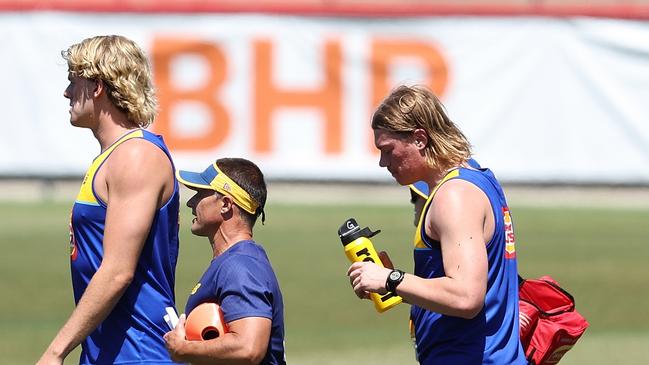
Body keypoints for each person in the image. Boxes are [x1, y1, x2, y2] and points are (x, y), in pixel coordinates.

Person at [347, 85, 526, 364]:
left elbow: (466, 297)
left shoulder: (454, 196)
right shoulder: (478, 176)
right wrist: (399, 286)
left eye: (388, 150)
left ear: (419, 138)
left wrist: (391, 279)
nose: (383, 162)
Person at [37, 35, 180, 365]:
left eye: (74, 81)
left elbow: (117, 272)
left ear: (98, 86)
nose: (67, 92)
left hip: (139, 350)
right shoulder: (113, 156)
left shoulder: (136, 156)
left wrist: (55, 352)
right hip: (109, 350)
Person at [164, 158, 286, 365]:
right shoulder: (235, 262)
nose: (190, 203)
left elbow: (248, 347)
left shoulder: (240, 266)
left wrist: (183, 349)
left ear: (226, 205)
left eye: (200, 194)